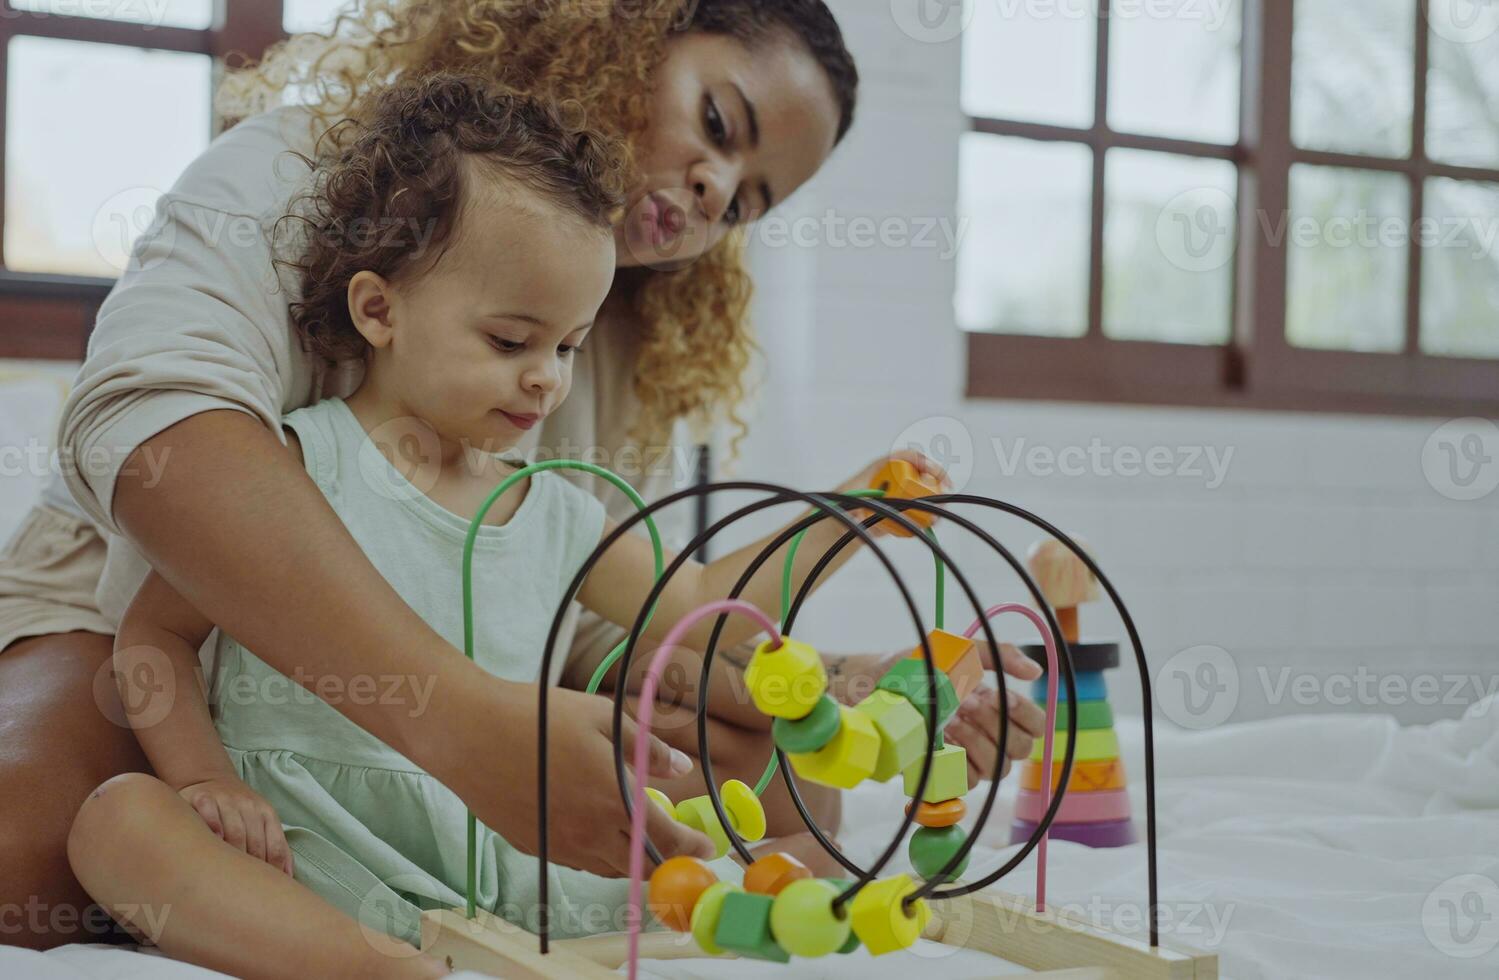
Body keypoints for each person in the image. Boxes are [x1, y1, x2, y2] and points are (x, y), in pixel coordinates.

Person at [0, 0, 1044, 948]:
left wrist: (868, 685)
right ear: (625, 31)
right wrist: (459, 721)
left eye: (747, 200)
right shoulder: (303, 175)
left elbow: (628, 619)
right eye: (718, 126)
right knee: (24, 853)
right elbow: (159, 439)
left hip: (454, 706)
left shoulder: (608, 339)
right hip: (123, 598)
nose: (716, 189)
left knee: (751, 753)